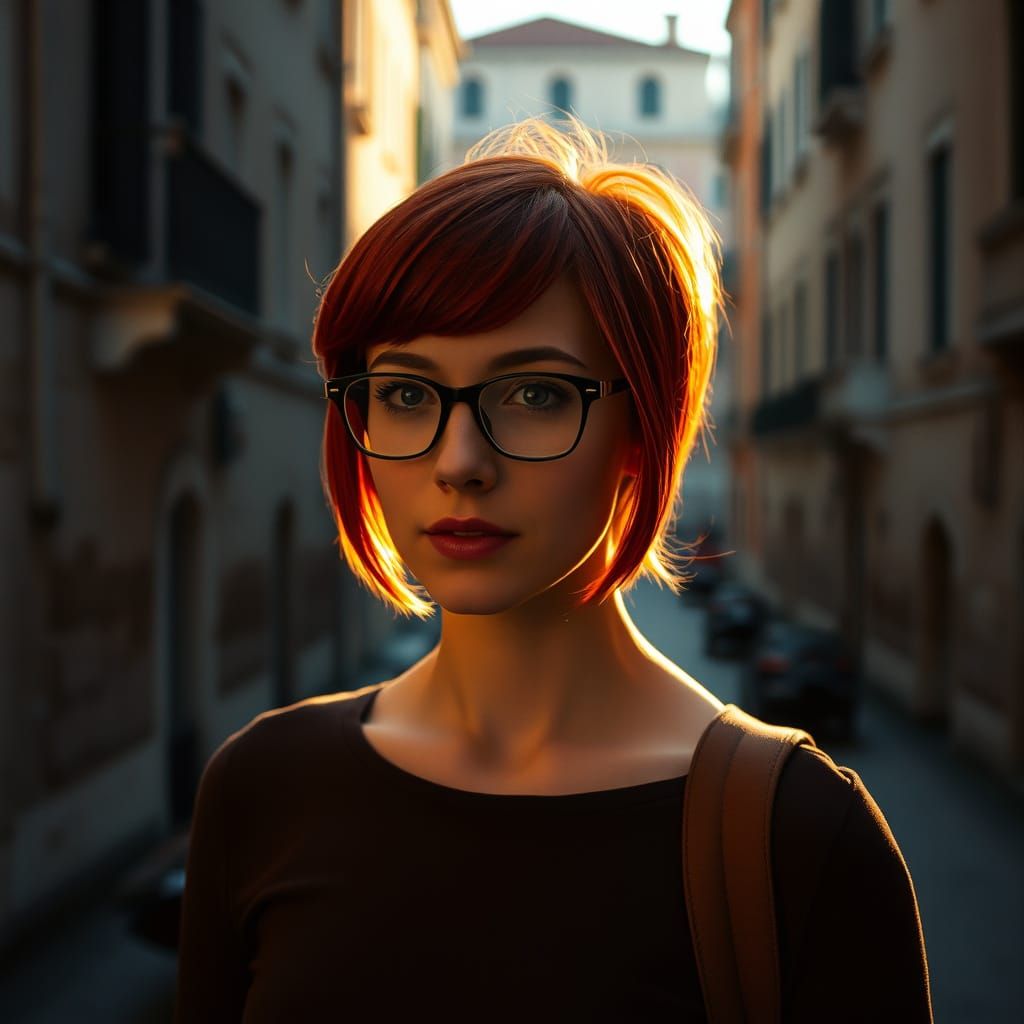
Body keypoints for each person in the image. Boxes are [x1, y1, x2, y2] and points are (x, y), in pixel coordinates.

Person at [173, 118, 933, 1022]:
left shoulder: (799, 839)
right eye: (408, 393)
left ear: (642, 429)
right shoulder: (260, 788)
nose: (458, 461)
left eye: (534, 394)